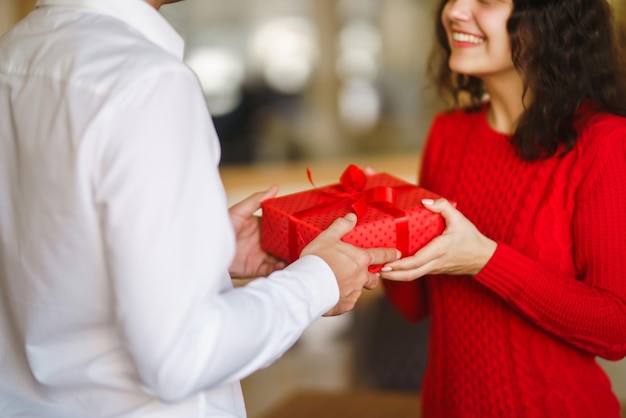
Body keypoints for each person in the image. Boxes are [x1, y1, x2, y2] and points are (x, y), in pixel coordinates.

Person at [0, 0, 401, 416]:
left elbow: (50, 254)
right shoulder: (147, 82)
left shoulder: (15, 53)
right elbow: (180, 357)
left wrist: (202, 252)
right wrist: (320, 281)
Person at [379, 0, 626, 416]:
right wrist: (383, 228)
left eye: (486, 0)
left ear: (550, 20)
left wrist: (484, 260)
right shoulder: (448, 134)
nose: (455, 11)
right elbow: (416, 306)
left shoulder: (605, 144)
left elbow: (615, 329)